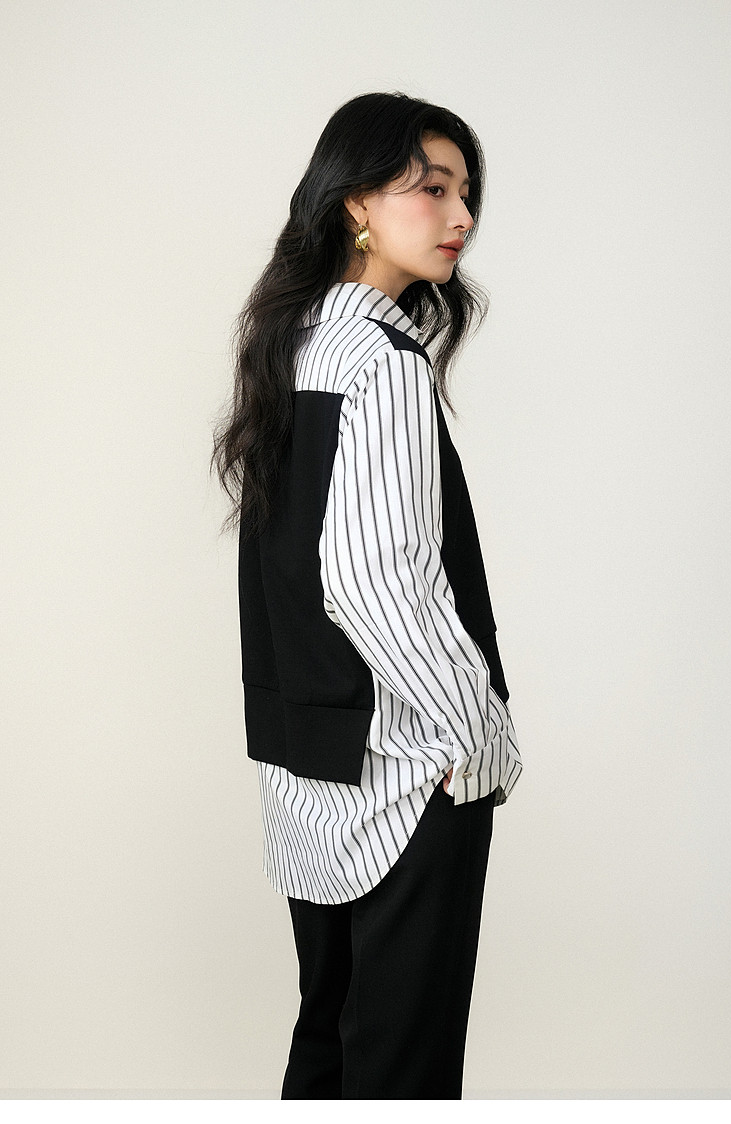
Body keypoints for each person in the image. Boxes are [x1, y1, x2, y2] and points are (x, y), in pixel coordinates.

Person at [212, 91, 522, 1100]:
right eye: (431, 188)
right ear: (354, 203)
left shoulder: (293, 343)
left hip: (310, 764)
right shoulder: (381, 363)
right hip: (406, 773)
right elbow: (371, 576)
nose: (460, 216)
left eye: (466, 193)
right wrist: (475, 727)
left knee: (331, 1041)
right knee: (402, 1069)